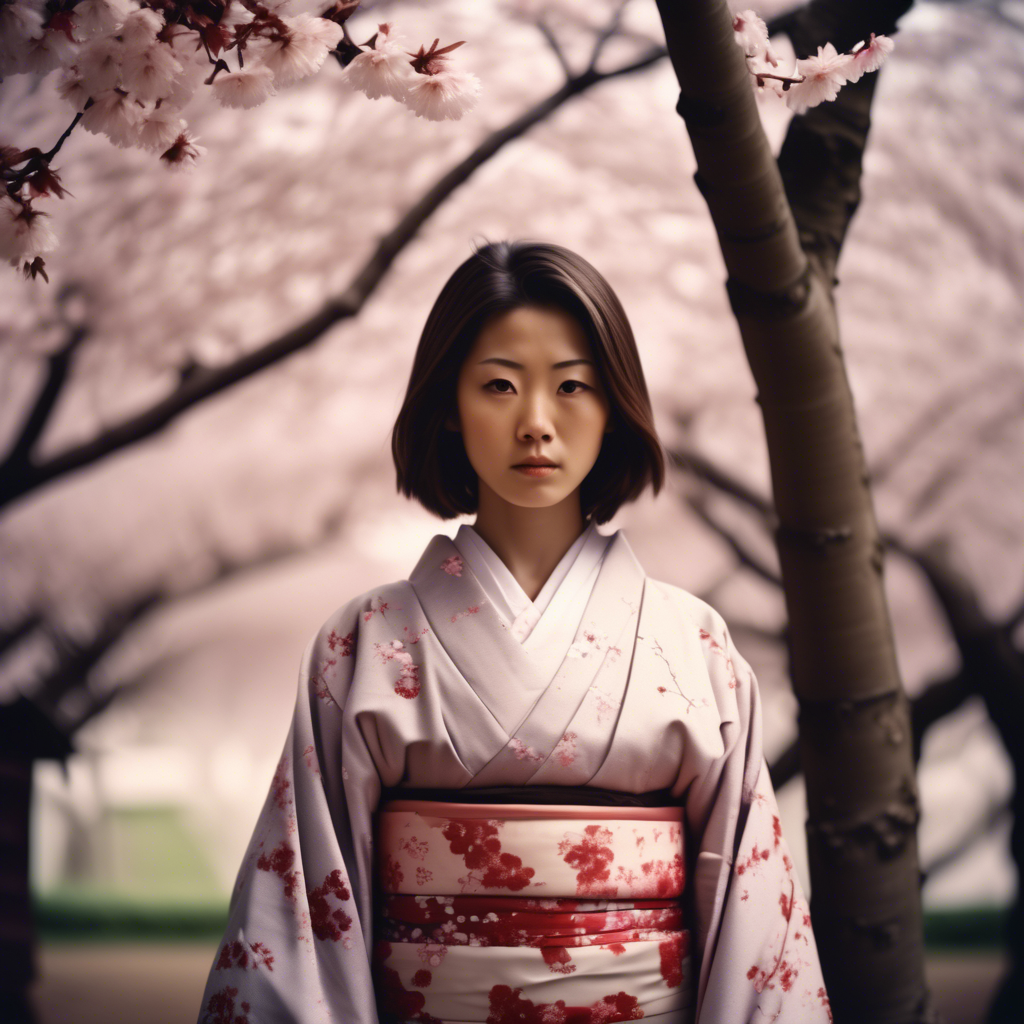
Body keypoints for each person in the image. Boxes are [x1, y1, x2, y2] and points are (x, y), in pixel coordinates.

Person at [196, 240, 830, 1024]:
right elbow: (304, 914)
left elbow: (750, 912)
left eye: (573, 387)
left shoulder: (692, 645)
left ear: (614, 408)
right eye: (498, 386)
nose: (536, 424)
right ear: (451, 410)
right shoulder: (361, 644)